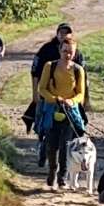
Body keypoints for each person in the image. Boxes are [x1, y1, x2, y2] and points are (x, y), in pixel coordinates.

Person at [37, 35, 86, 189]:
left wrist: (71, 101)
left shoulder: (78, 70)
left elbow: (81, 94)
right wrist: (53, 98)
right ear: (60, 50)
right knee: (52, 144)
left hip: (70, 112)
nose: (68, 54)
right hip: (52, 109)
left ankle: (62, 177)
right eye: (65, 51)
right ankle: (52, 169)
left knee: (67, 145)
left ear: (75, 52)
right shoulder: (49, 66)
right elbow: (42, 89)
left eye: (71, 52)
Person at [22, 23, 86, 133]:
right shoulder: (46, 49)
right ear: (57, 34)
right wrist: (35, 93)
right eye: (62, 32)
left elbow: (83, 78)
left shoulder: (77, 53)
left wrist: (78, 101)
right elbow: (35, 71)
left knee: (80, 126)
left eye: (67, 32)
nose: (64, 35)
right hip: (49, 92)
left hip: (70, 98)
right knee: (42, 124)